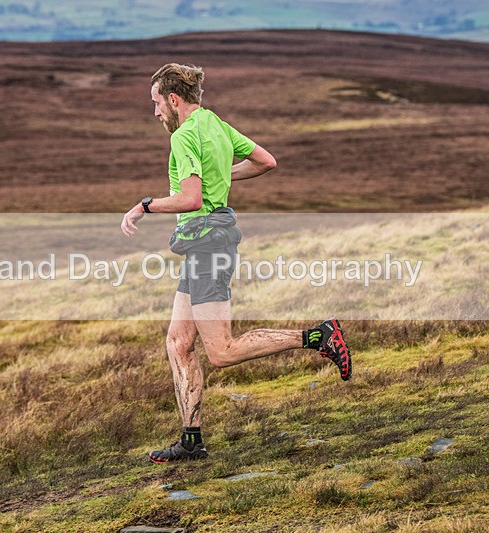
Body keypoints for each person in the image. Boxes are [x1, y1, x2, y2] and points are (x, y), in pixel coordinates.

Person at [120, 63, 351, 464]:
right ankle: (191, 440)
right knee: (178, 342)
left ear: (173, 100)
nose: (155, 112)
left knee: (222, 351)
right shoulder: (216, 124)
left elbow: (191, 199)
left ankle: (319, 336)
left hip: (208, 242)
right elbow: (266, 161)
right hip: (202, 244)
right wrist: (218, 180)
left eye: (156, 103)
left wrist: (145, 206)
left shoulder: (184, 137)